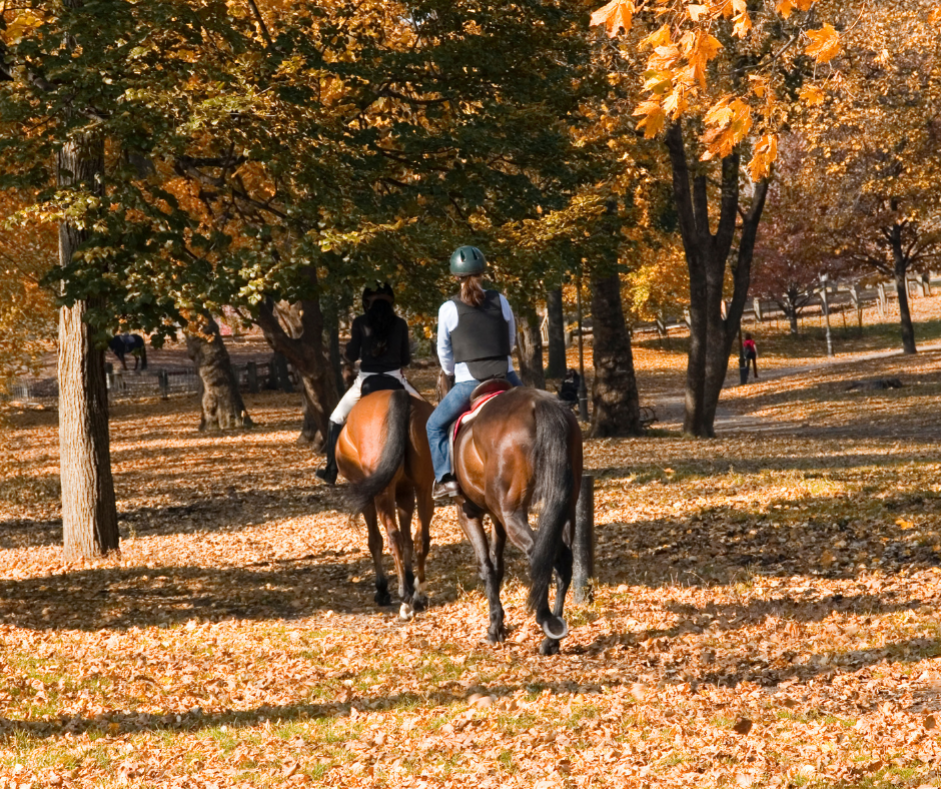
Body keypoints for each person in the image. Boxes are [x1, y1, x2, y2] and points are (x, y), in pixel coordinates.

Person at [426, 246, 524, 499]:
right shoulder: (500, 299)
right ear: (483, 273)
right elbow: (511, 338)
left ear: (455, 277)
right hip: (506, 377)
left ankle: (446, 479)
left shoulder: (448, 308)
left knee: (434, 426)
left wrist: (450, 372)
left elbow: (443, 350)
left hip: (469, 382)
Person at [316, 283, 420, 485]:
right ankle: (436, 468)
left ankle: (331, 470)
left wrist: (349, 352)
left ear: (366, 303)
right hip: (395, 378)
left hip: (366, 379)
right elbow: (405, 359)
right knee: (429, 413)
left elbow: (352, 355)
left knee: (336, 418)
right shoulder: (400, 324)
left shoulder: (360, 322)